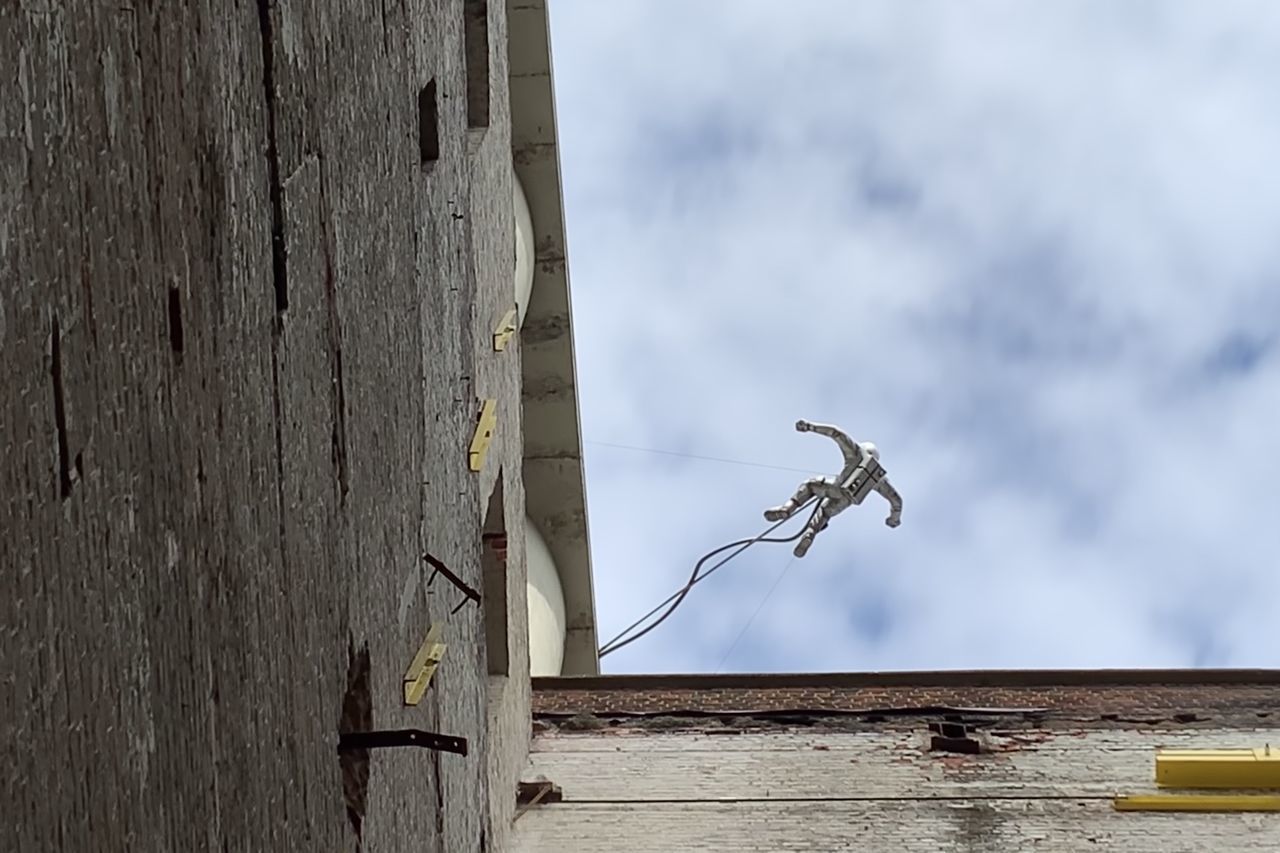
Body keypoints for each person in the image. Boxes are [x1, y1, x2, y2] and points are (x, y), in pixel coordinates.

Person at [763, 420, 903, 558]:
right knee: (824, 513)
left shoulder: (857, 453)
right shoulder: (880, 478)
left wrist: (809, 427)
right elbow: (896, 501)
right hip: (847, 500)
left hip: (837, 487)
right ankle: (810, 534)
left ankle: (787, 509)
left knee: (810, 485)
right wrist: (893, 519)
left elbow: (836, 433)